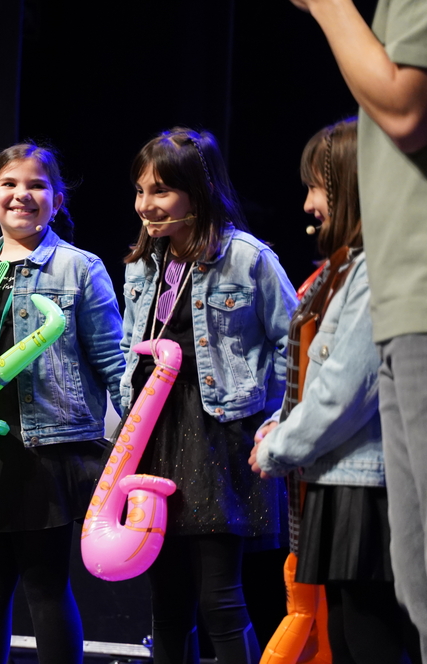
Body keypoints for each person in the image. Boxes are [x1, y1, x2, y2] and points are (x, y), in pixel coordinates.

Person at [276, 0, 427, 661]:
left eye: (320, 187)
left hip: (425, 308)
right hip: (412, 308)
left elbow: (405, 107)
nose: (308, 205)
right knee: (417, 595)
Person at [0, 143, 126, 664]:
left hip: (46, 448)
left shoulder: (80, 268)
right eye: (10, 185)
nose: (23, 195)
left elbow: (113, 360)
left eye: (37, 185)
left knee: (45, 585)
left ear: (57, 200)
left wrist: (136, 436)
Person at [120, 127, 297, 664]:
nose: (146, 205)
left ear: (199, 191)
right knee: (167, 604)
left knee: (220, 599)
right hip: (154, 436)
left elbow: (296, 340)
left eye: (161, 191)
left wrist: (277, 416)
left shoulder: (247, 258)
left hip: (218, 435)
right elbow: (130, 348)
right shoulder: (142, 262)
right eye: (140, 191)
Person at [250, 118, 419, 664]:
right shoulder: (343, 268)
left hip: (366, 486)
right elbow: (311, 373)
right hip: (336, 479)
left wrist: (279, 447)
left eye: (316, 187)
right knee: (344, 639)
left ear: (350, 186)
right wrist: (277, 425)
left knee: (370, 641)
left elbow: (348, 387)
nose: (307, 204)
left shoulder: (377, 271)